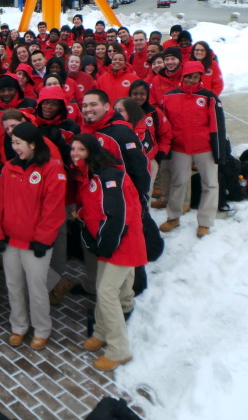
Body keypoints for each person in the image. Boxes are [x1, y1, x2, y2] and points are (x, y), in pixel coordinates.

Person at [71, 134, 147, 372]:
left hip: (121, 243)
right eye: (73, 149)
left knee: (106, 292)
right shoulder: (89, 175)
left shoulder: (109, 175)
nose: (75, 154)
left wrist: (105, 244)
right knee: (103, 287)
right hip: (107, 242)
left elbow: (117, 215)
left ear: (91, 151)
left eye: (80, 149)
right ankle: (101, 332)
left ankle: (119, 350)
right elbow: (94, 208)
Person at [0, 123, 67, 350]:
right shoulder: (9, 168)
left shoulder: (51, 169)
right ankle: (19, 326)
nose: (14, 147)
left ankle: (42, 329)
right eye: (12, 142)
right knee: (13, 286)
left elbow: (53, 208)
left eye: (19, 143)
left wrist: (43, 240)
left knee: (36, 289)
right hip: (11, 240)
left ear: (33, 144)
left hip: (35, 243)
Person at [159, 62, 227, 238]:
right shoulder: (169, 97)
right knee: (178, 182)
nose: (191, 80)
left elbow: (218, 126)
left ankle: (205, 221)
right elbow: (165, 125)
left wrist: (219, 151)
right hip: (180, 148)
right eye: (188, 76)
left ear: (200, 78)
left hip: (204, 148)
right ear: (183, 76)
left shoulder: (209, 97)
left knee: (210, 183)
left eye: (195, 77)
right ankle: (173, 217)